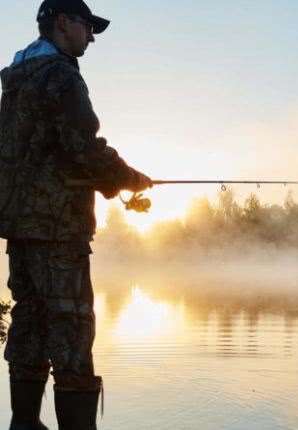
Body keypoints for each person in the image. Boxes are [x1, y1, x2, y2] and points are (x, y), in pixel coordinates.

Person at [0, 1, 152, 428]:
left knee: (28, 319)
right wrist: (129, 177)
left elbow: (38, 152)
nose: (91, 37)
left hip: (20, 225)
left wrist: (109, 182)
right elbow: (82, 146)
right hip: (58, 226)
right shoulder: (61, 75)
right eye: (88, 27)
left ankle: (23, 423)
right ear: (62, 22)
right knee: (71, 325)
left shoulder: (15, 81)